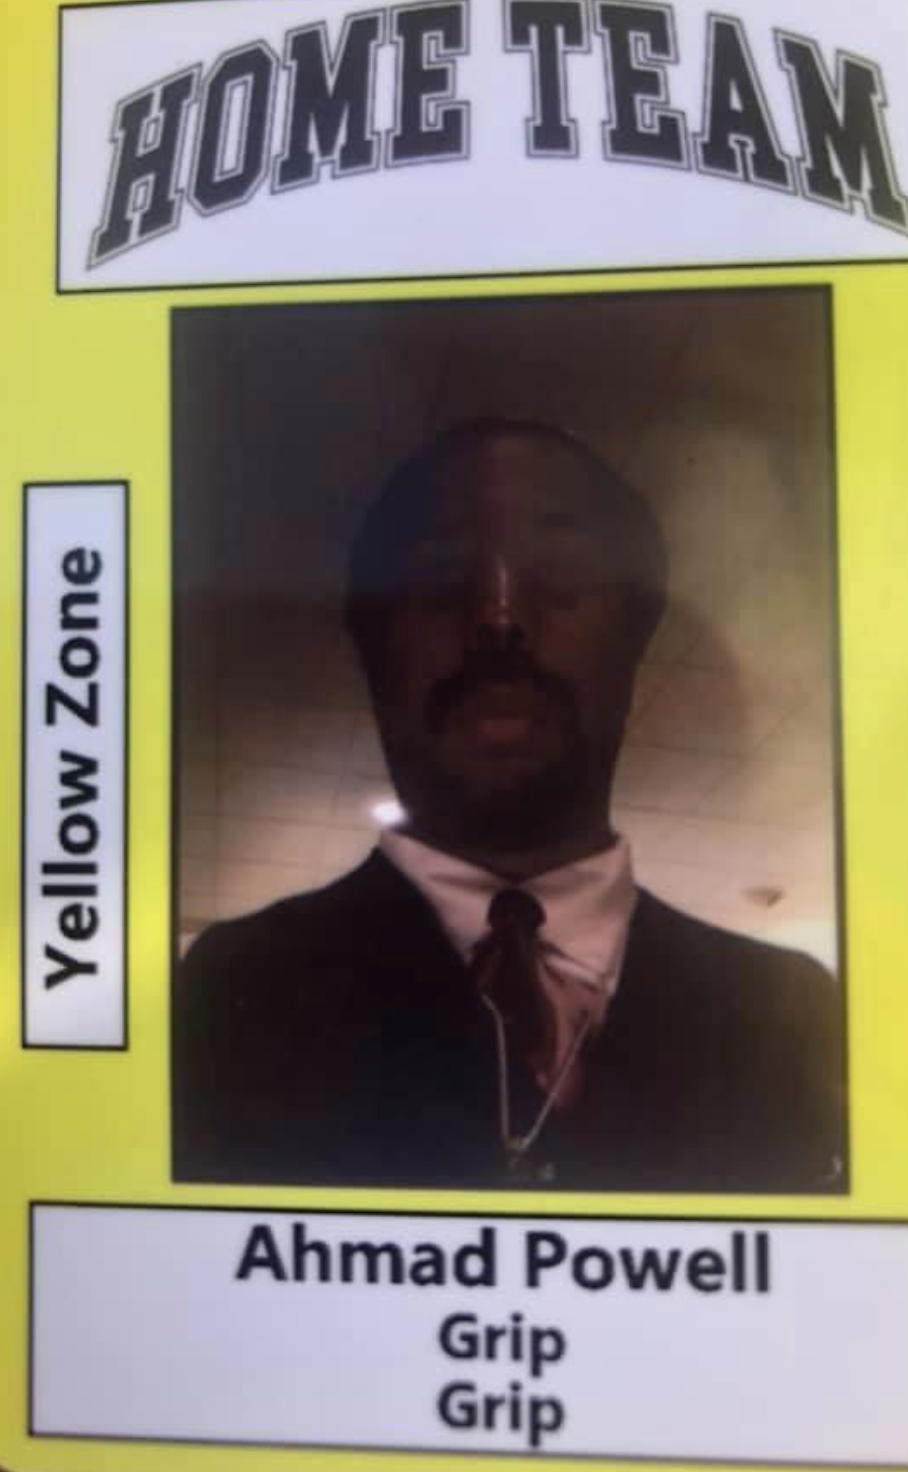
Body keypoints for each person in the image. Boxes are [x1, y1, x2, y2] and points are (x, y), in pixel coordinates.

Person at [174, 418, 845, 1192]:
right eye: (437, 574)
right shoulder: (235, 990)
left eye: (560, 570)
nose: (498, 617)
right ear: (370, 644)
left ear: (637, 632)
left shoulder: (784, 1013)